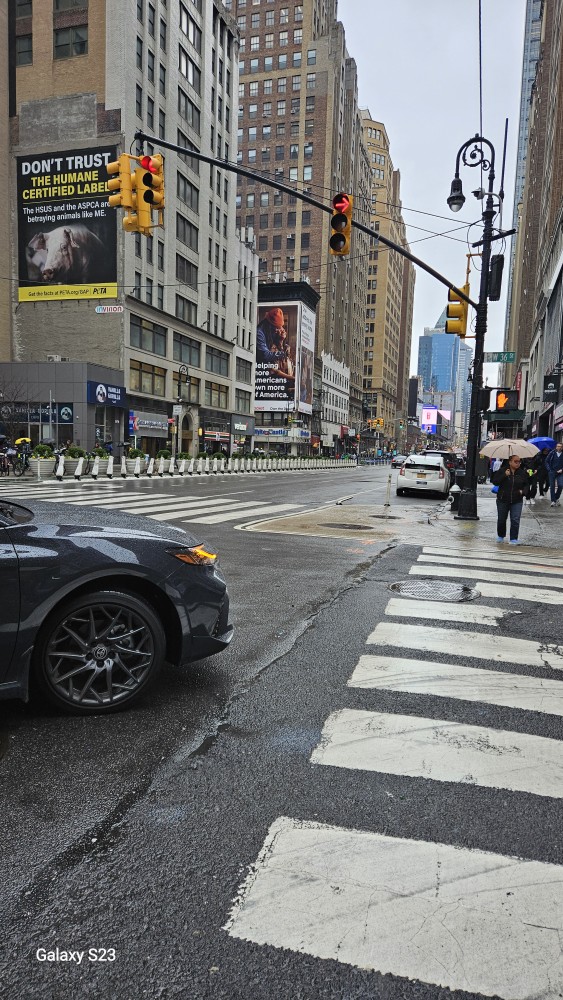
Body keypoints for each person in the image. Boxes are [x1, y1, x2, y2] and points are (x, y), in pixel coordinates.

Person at [491, 454, 531, 544]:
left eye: (519, 462)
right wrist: (504, 475)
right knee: (502, 519)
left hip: (517, 500)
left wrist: (523, 492)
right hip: (503, 499)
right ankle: (501, 536)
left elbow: (526, 484)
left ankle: (513, 538)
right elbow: (495, 482)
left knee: (515, 519)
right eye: (515, 461)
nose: (518, 463)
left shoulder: (521, 473)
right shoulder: (502, 470)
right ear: (510, 462)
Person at [545, 442, 563, 506]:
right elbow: (546, 461)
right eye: (558, 446)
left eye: (560, 446)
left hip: (561, 472)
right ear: (556, 447)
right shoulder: (552, 453)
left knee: (560, 485)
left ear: (562, 447)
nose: (559, 447)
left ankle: (556, 497)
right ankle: (553, 500)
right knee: (552, 486)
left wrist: (562, 469)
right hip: (552, 471)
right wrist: (549, 470)